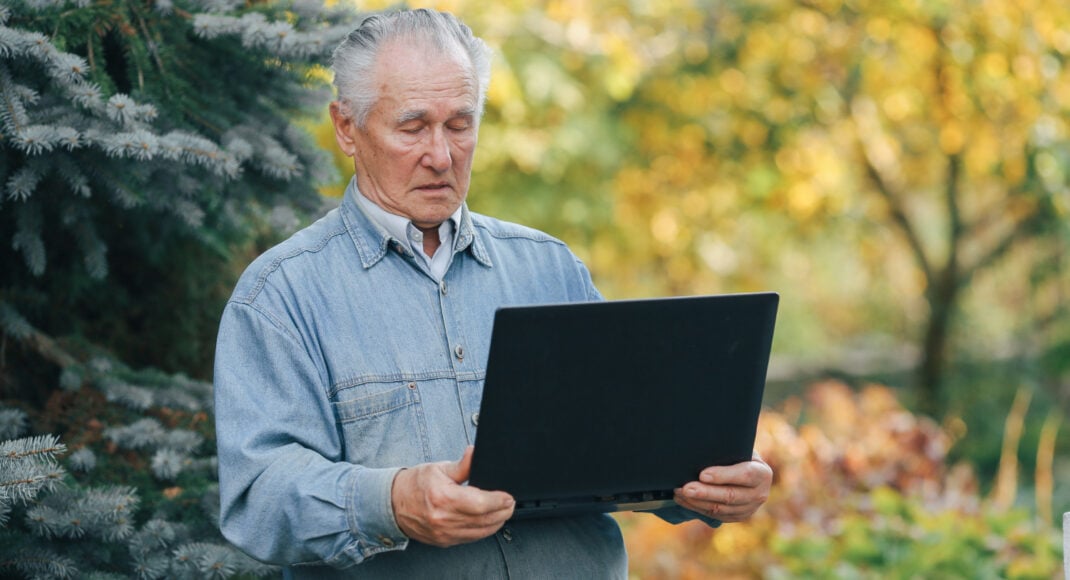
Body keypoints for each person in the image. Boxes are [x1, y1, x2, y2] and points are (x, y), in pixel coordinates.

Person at [213, 8, 772, 578]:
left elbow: (637, 443)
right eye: (412, 126)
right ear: (346, 128)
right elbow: (257, 496)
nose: (441, 154)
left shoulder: (552, 270)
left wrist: (715, 478)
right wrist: (393, 502)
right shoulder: (281, 296)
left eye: (460, 124)